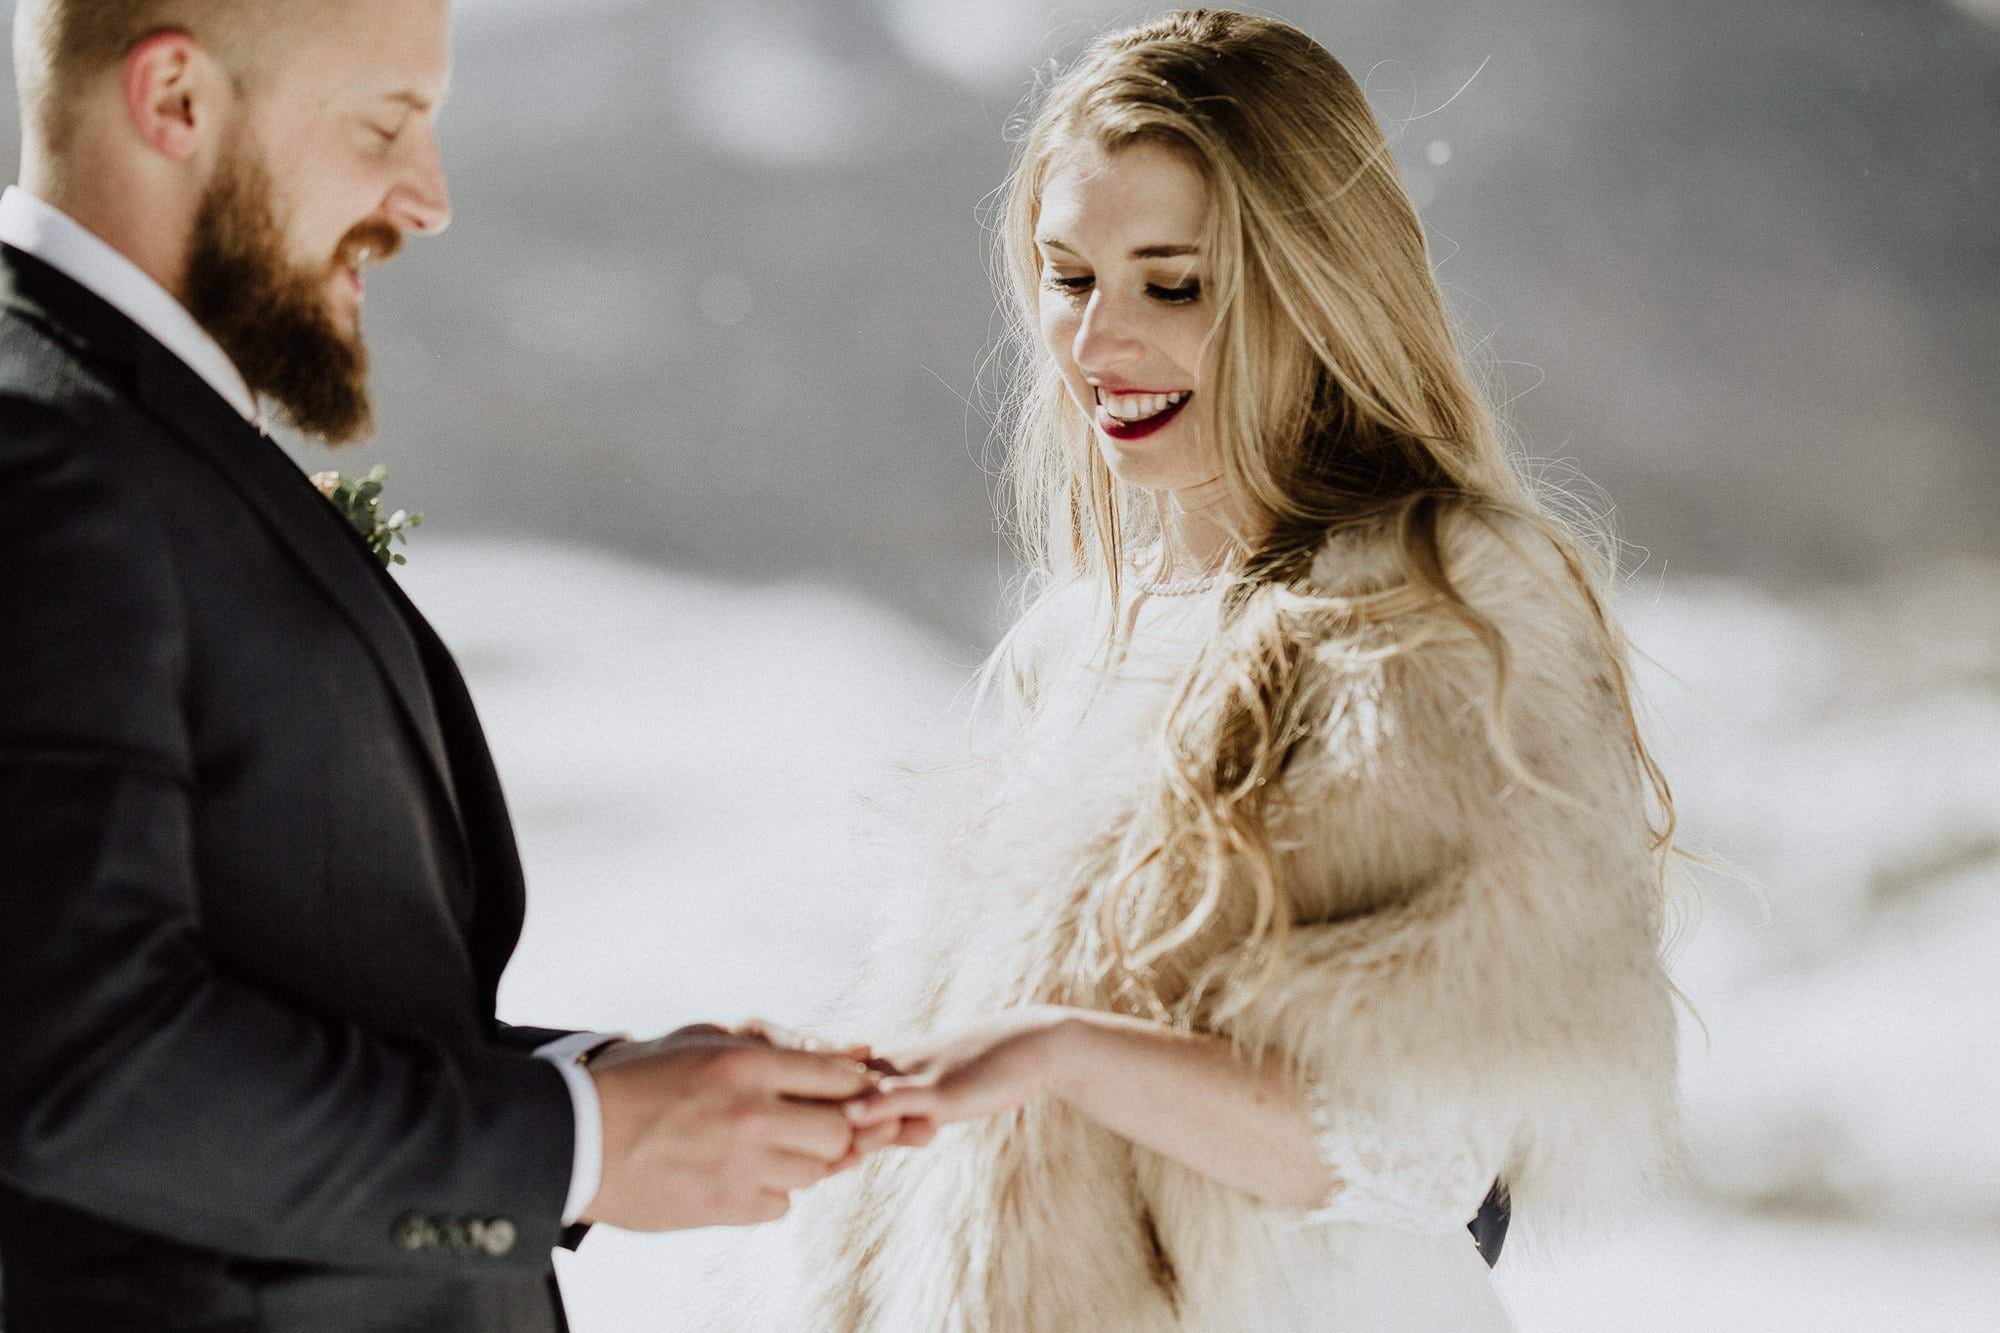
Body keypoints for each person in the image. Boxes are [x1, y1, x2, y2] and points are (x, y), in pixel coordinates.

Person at [730, 11, 1685, 1330]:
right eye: (1070, 278)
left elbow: (1425, 1148)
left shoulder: (1431, 619)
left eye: (1171, 283)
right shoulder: (1075, 645)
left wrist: (1058, 1052)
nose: (1098, 342)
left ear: (1314, 285)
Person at [0, 2, 899, 1327]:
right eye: (385, 124)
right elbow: (82, 1067)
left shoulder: (139, 436)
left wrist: (619, 1090)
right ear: (176, 100)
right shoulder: (42, 453)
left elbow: (250, 985)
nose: (427, 200)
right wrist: (582, 1142)